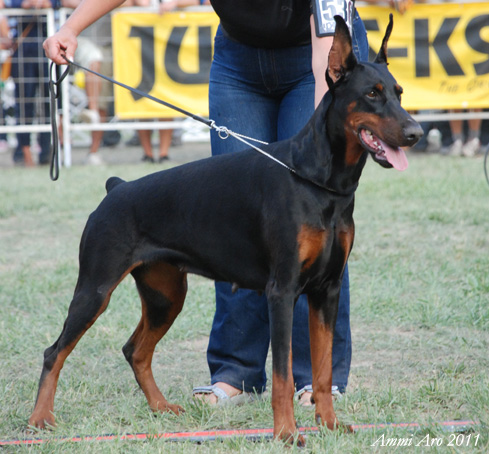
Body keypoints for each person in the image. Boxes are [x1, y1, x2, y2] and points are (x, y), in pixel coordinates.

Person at [43, 0, 367, 406]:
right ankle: (236, 372)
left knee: (313, 218)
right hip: (239, 60)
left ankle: (315, 382)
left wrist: (323, 129)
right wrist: (71, 27)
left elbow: (326, 46)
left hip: (314, 57)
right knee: (233, 220)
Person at [8, 0, 58, 166]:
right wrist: (25, 4)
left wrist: (49, 3)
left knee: (48, 103)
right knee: (24, 104)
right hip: (23, 49)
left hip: (47, 49)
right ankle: (24, 153)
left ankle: (46, 152)